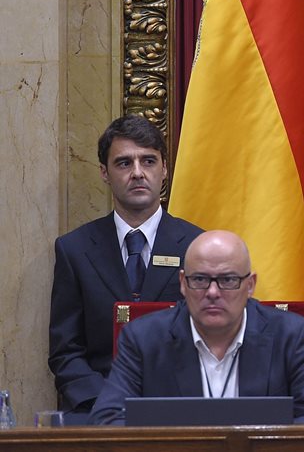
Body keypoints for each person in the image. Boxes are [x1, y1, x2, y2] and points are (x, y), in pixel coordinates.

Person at [90, 229, 304, 425]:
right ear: (182, 283)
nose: (212, 292)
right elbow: (108, 419)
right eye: (199, 279)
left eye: (228, 280)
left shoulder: (292, 336)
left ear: (250, 285)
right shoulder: (143, 339)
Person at [48, 115, 204, 419]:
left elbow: (215, 338)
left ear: (165, 169)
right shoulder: (74, 249)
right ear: (105, 173)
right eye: (123, 163)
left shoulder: (198, 246)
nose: (137, 173)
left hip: (181, 411)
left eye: (148, 161)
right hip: (97, 412)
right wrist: (106, 402)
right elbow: (65, 350)